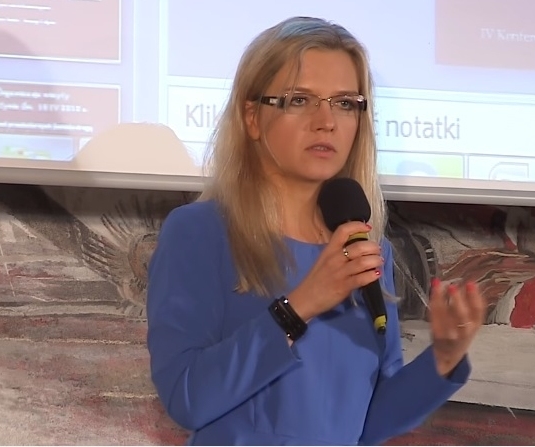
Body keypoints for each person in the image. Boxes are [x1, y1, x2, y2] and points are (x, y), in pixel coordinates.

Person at [146, 16, 486, 446]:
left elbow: (367, 424)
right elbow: (186, 397)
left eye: (344, 103)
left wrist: (444, 357)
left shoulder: (367, 248)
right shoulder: (199, 232)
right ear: (252, 117)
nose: (326, 121)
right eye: (299, 100)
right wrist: (301, 305)